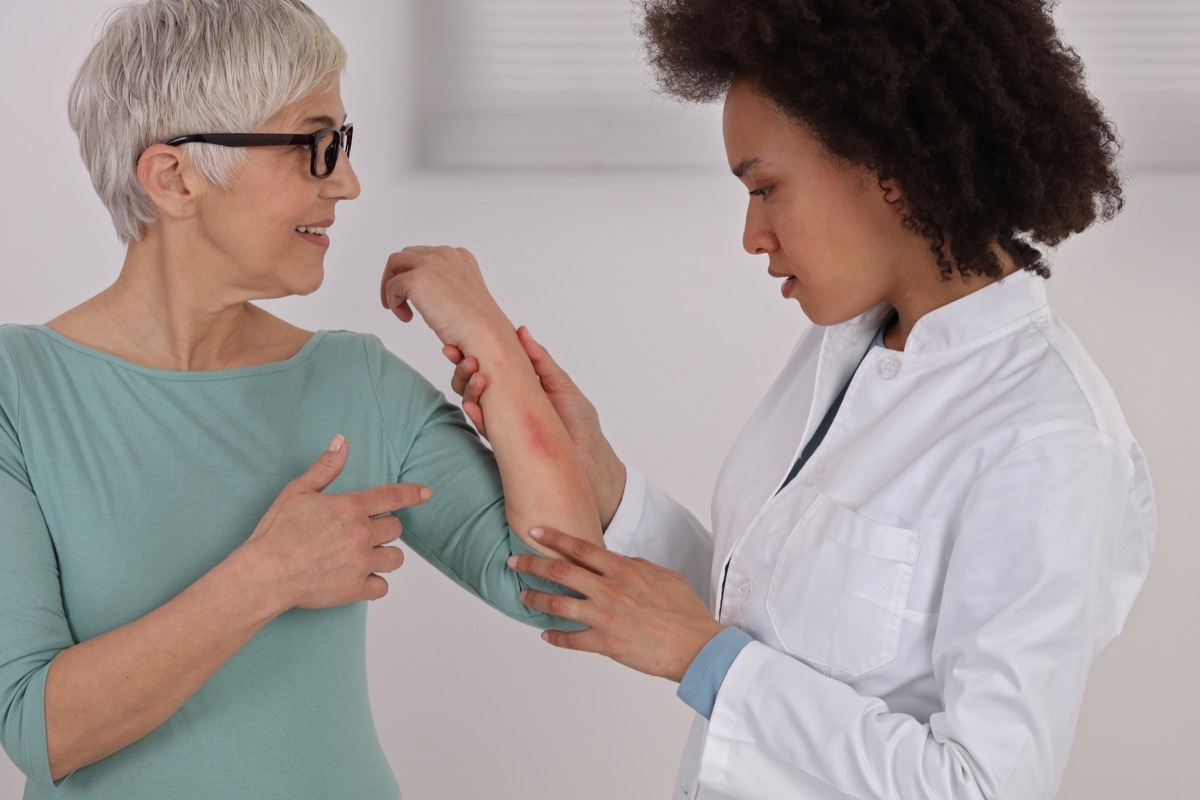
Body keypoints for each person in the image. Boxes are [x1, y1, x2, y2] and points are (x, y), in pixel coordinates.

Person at [435, 1, 1157, 798]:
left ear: (893, 166)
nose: (752, 234)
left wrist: (707, 662)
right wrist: (603, 478)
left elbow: (980, 785)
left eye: (767, 187)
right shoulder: (844, 345)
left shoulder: (1049, 439)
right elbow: (774, 618)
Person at [0, 1, 600, 798]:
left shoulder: (357, 381)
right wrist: (264, 578)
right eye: (315, 146)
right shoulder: (19, 388)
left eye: (343, 143)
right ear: (175, 177)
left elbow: (564, 592)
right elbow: (40, 731)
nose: (347, 182)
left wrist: (492, 342)